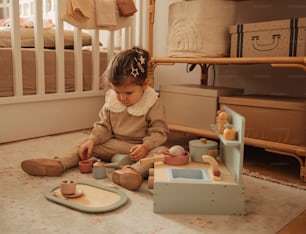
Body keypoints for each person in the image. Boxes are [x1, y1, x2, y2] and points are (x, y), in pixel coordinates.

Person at [21, 47, 169, 191]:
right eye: (117, 92)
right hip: (114, 145)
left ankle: (133, 173)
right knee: (84, 142)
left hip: (139, 149)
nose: (122, 98)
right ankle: (59, 163)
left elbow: (159, 132)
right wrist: (92, 140)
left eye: (129, 93)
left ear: (145, 84)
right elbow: (103, 126)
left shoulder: (152, 102)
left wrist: (146, 146)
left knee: (161, 152)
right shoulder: (112, 101)